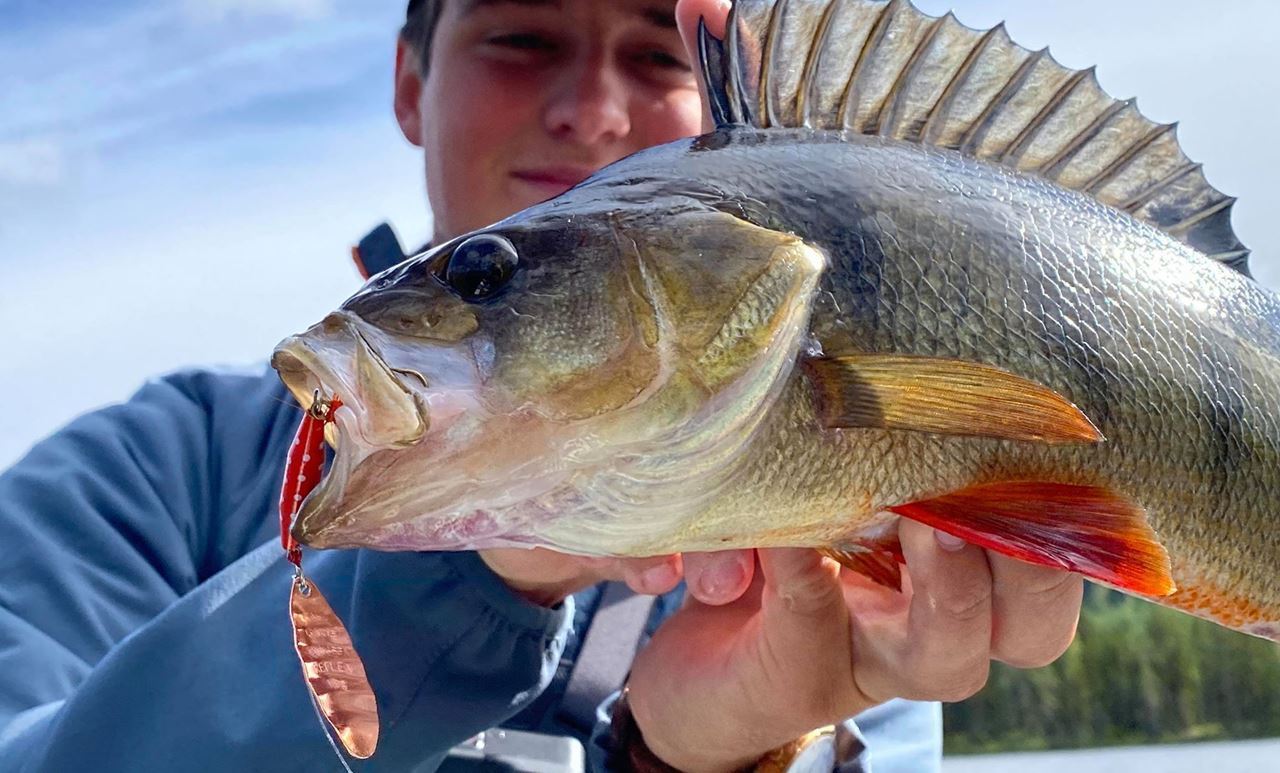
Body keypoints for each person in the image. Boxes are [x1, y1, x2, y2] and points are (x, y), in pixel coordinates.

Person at [0, 1, 1083, 770]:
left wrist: (700, 756)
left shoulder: (846, 518)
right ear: (409, 85)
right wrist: (467, 578)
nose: (591, 110)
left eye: (660, 54)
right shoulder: (143, 477)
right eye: (521, 36)